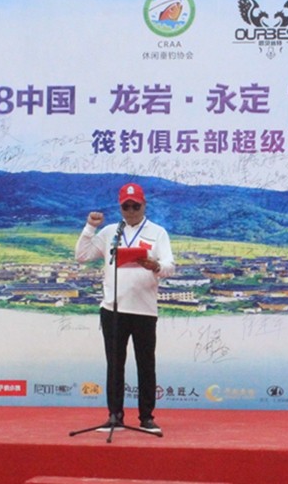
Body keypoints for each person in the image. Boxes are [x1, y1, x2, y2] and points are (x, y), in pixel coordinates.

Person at [75, 182, 175, 434]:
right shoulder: (110, 232)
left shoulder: (158, 232)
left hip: (144, 310)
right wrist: (90, 227)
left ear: (144, 205)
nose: (130, 211)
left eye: (135, 206)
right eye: (126, 206)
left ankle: (146, 417)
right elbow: (82, 256)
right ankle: (115, 415)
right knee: (115, 365)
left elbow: (170, 266)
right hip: (113, 309)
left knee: (146, 364)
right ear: (120, 207)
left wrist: (155, 266)